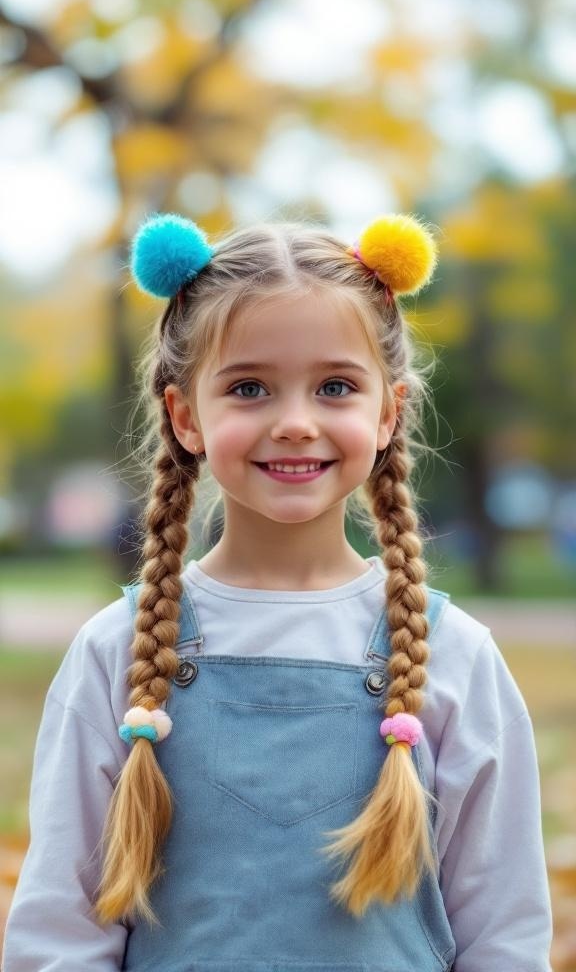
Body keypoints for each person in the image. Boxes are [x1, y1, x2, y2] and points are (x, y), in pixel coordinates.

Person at [3, 213, 553, 971]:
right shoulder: (115, 651)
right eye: (250, 388)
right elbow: (60, 937)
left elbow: (504, 934)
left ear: (387, 412)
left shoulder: (455, 657)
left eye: (334, 386)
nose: (295, 423)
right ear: (186, 415)